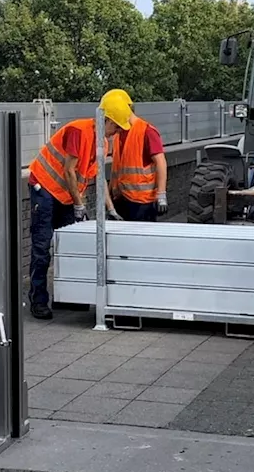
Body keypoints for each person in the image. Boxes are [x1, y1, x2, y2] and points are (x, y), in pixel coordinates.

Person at [27, 101, 130, 319]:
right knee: (42, 245)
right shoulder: (78, 131)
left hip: (65, 195)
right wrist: (78, 204)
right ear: (107, 120)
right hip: (44, 188)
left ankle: (68, 296)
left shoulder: (102, 142)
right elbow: (68, 170)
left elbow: (98, 175)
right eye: (117, 127)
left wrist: (110, 208)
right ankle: (38, 300)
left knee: (71, 244)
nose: (116, 133)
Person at [102, 89, 168, 222]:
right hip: (120, 198)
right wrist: (109, 194)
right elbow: (116, 169)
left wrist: (161, 194)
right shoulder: (118, 134)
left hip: (142, 202)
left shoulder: (146, 131)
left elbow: (160, 162)